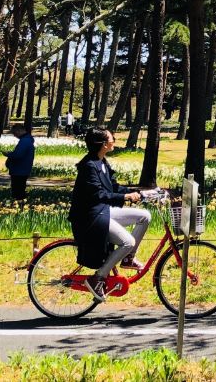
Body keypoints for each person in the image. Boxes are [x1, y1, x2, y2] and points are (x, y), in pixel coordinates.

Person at [69, 127, 149, 301]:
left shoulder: (101, 161)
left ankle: (128, 258)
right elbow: (99, 195)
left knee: (144, 216)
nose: (114, 141)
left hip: (101, 211)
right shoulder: (89, 166)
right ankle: (98, 277)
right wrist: (126, 197)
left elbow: (112, 187)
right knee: (128, 241)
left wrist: (137, 192)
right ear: (104, 144)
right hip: (90, 217)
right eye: (112, 138)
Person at [4, 124, 35, 201]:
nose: (15, 135)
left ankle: (19, 205)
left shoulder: (24, 141)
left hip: (19, 170)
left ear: (19, 131)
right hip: (23, 169)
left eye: (15, 133)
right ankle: (20, 204)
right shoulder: (28, 140)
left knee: (17, 192)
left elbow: (18, 155)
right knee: (20, 189)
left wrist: (8, 154)